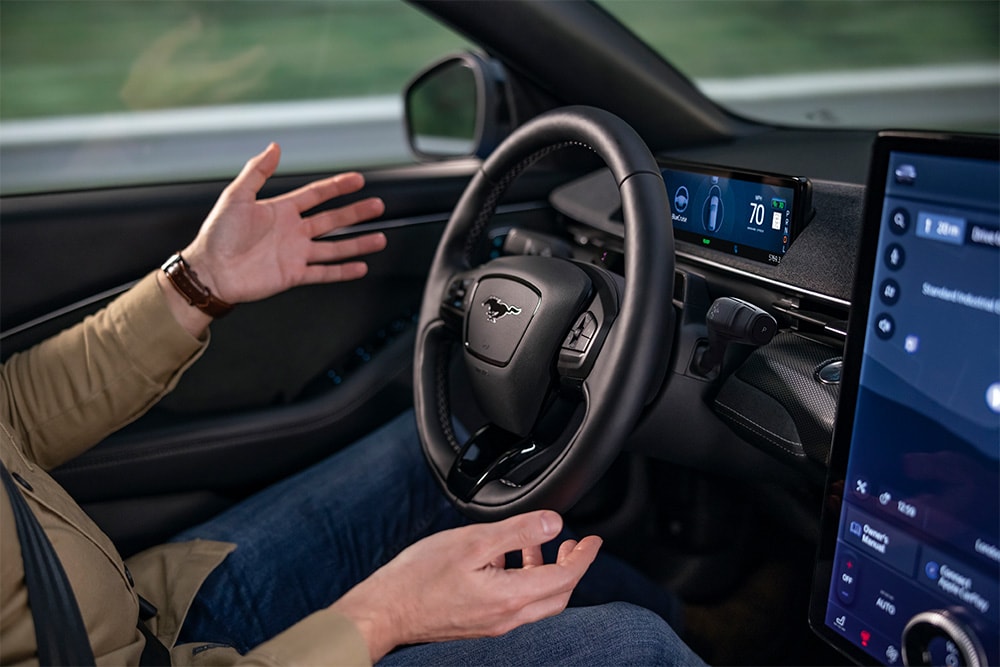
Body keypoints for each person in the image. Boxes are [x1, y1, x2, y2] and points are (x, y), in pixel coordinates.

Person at [0, 143, 705, 666]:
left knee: (429, 461)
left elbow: (12, 410)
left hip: (148, 613)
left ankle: (693, 630)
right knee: (630, 650)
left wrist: (197, 282)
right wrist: (381, 615)